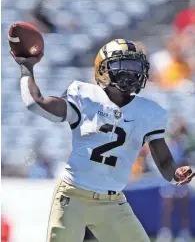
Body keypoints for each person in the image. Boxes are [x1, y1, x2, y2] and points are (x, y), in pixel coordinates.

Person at [10, 39, 195, 242]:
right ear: (103, 69)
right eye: (122, 66)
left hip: (112, 201)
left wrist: (175, 175)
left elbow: (163, 159)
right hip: (73, 195)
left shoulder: (148, 112)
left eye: (135, 67)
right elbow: (36, 104)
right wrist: (26, 68)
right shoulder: (84, 95)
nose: (131, 73)